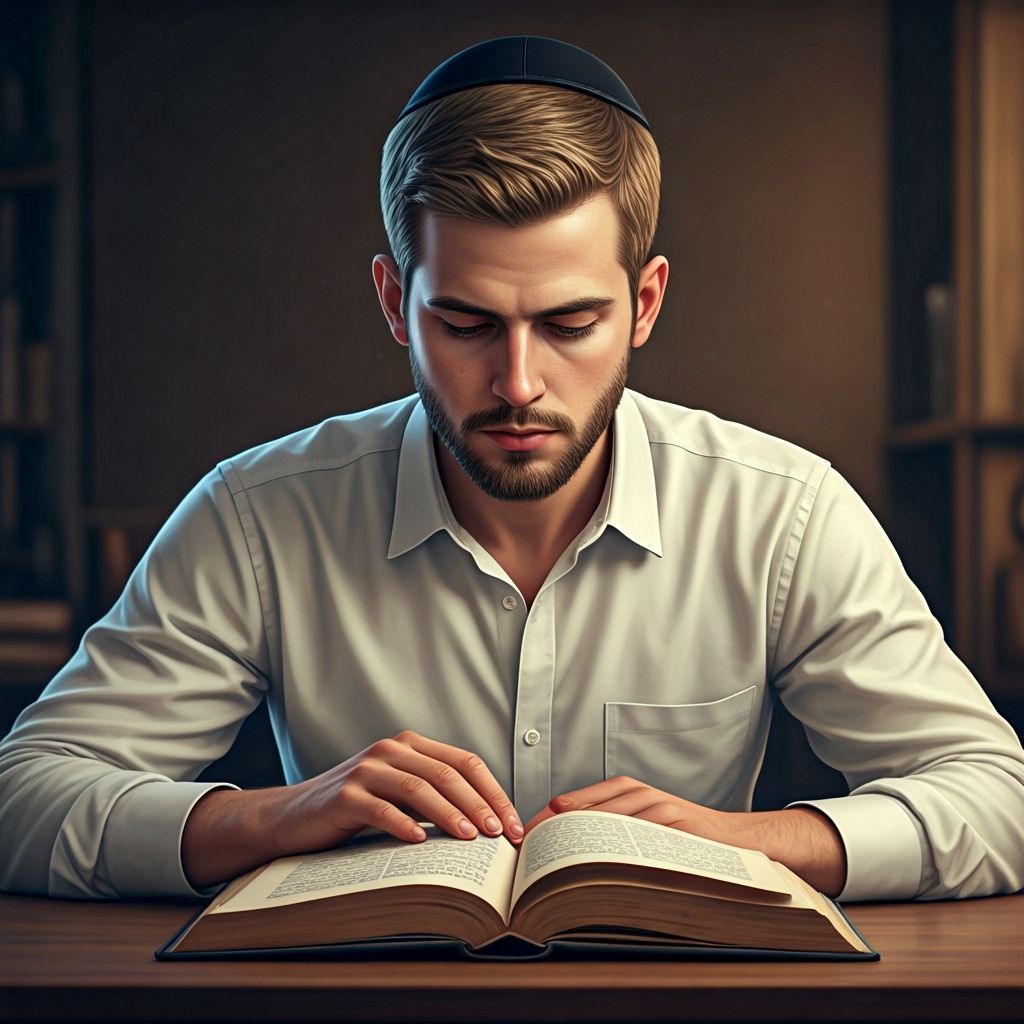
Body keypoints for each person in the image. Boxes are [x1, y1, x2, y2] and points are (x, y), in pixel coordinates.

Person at [1, 35, 1022, 904]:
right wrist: (275, 816)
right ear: (395, 303)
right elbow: (23, 796)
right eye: (464, 323)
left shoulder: (782, 512)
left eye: (571, 323)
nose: (519, 383)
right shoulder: (256, 516)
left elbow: (998, 801)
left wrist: (742, 842)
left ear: (645, 304)